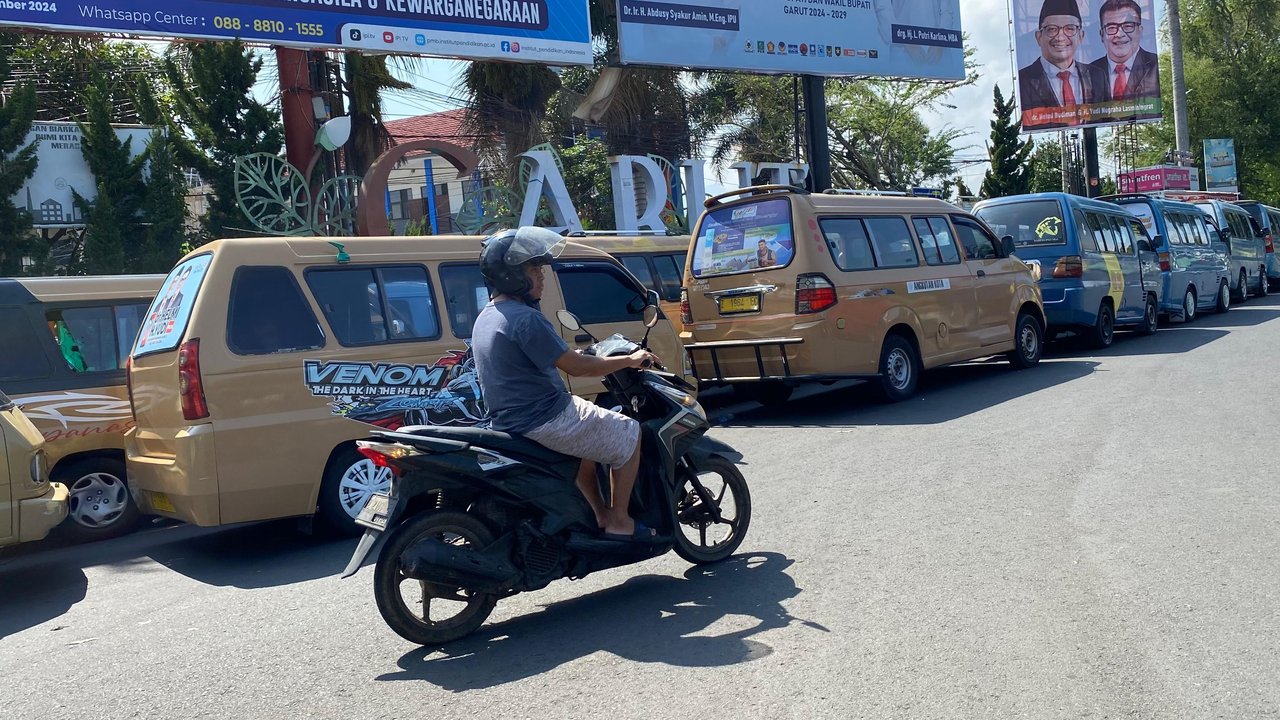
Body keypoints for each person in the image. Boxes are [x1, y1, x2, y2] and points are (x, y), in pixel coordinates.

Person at [471, 227, 662, 542]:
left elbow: (558, 355)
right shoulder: (524, 318)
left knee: (595, 431)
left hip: (511, 418)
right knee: (630, 433)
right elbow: (576, 367)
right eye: (534, 270)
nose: (542, 277)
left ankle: (598, 514)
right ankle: (619, 521)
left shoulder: (490, 316)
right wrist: (629, 361)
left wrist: (586, 354)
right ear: (512, 276)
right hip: (545, 417)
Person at [1018, 0, 1109, 115]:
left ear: (1081, 36)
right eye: (1051, 29)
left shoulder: (1097, 76)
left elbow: (1108, 117)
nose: (1060, 37)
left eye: (1070, 28)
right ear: (1038, 37)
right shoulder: (1022, 80)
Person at [1088, 0, 1159, 100]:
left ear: (1140, 31)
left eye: (1128, 26)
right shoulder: (1087, 74)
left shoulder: (1156, 65)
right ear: (1101, 35)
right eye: (1111, 27)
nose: (1119, 34)